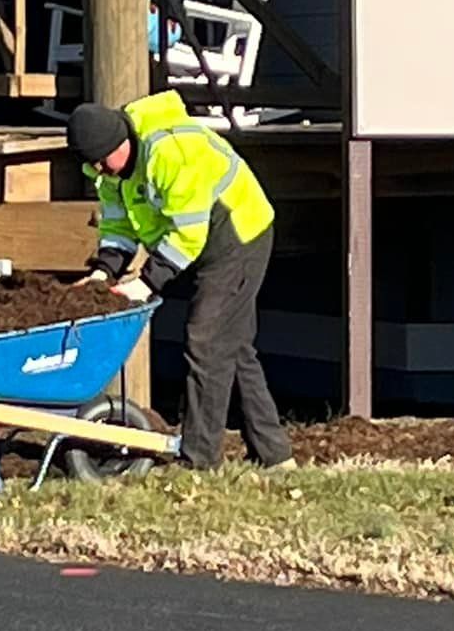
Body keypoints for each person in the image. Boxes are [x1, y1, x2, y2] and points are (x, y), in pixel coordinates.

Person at [66, 91, 292, 472]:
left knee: (206, 339)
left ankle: (200, 459)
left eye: (103, 162)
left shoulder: (173, 152)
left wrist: (147, 283)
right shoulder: (108, 168)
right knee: (231, 346)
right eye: (93, 166)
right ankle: (274, 455)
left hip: (238, 232)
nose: (100, 171)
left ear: (121, 143)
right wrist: (103, 271)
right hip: (198, 237)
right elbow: (120, 227)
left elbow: (188, 235)